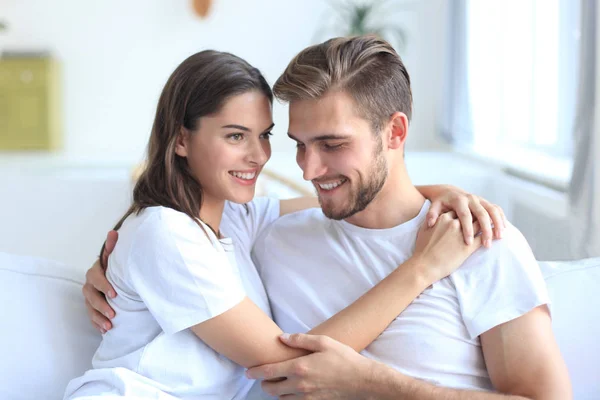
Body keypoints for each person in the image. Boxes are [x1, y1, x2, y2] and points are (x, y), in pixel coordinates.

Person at [67, 48, 505, 400]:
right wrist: (420, 270)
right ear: (181, 139)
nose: (257, 156)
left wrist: (440, 192)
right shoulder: (166, 232)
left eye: (265, 135)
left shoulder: (235, 222)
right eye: (235, 135)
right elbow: (290, 363)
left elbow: (347, 195)